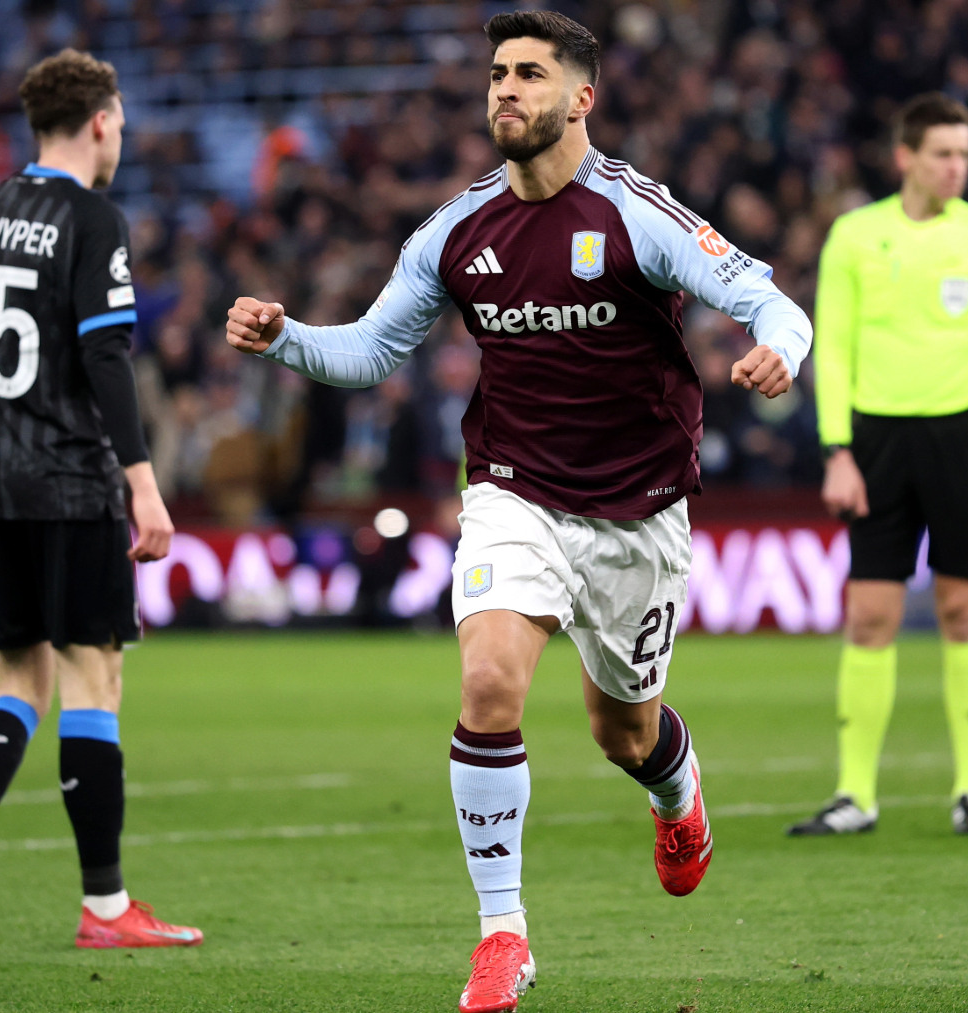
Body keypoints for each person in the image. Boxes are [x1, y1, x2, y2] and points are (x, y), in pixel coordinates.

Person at [226, 13, 811, 1012]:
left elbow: (773, 302)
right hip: (512, 491)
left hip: (639, 512)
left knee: (621, 732)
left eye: (529, 75)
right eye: (497, 73)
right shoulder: (457, 230)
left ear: (581, 98)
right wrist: (288, 339)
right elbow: (371, 352)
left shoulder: (637, 213)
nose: (505, 89)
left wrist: (777, 351)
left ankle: (680, 794)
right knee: (490, 683)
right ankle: (503, 933)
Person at [0, 49, 198, 956]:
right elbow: (109, 356)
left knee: (18, 683)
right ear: (102, 123)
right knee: (93, 678)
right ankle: (106, 906)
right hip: (71, 483)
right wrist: (142, 482)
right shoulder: (91, 219)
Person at [789, 94, 968, 839]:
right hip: (875, 443)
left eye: (965, 154)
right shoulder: (854, 236)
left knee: (966, 608)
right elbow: (831, 348)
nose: (957, 166)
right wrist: (836, 450)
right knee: (870, 614)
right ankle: (855, 794)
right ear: (905, 157)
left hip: (963, 437)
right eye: (943, 153)